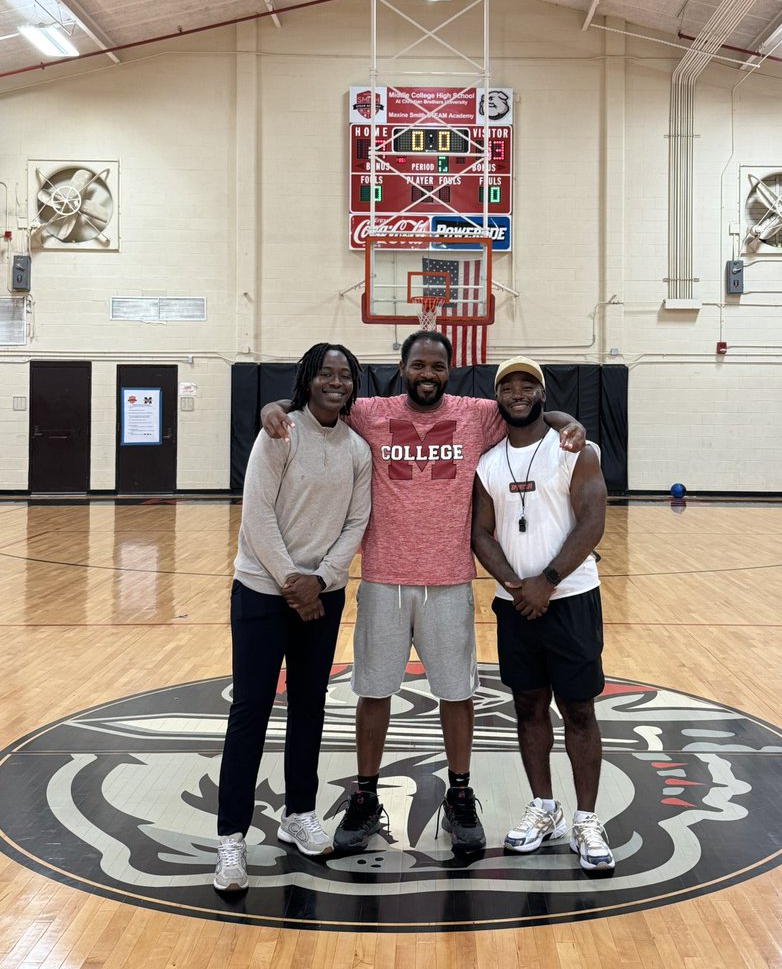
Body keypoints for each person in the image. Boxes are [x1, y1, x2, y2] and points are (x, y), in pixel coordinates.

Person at [260, 330, 584, 855]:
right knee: (374, 691)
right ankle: (365, 797)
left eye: (437, 366)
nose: (428, 374)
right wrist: (274, 407)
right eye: (419, 365)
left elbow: (533, 412)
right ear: (403, 367)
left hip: (451, 579)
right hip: (385, 577)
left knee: (456, 694)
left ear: (450, 370)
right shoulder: (370, 411)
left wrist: (570, 422)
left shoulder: (478, 413)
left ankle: (459, 796)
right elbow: (316, 400)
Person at [214, 344, 372, 893]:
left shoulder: (357, 446)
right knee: (251, 711)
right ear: (307, 380)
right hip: (262, 590)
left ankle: (298, 814)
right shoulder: (278, 433)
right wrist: (291, 582)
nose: (336, 382)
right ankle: (230, 840)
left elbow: (357, 521)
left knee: (310, 706)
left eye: (344, 375)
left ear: (354, 383)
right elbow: (255, 512)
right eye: (326, 373)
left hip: (321, 595)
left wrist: (322, 579)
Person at [471, 355, 615, 873]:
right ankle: (544, 807)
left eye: (527, 383)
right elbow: (480, 533)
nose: (517, 391)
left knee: (579, 711)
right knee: (528, 709)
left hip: (571, 598)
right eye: (507, 384)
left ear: (542, 393)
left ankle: (587, 818)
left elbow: (593, 521)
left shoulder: (575, 449)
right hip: (517, 606)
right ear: (497, 396)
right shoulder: (488, 463)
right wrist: (514, 584)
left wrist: (547, 582)